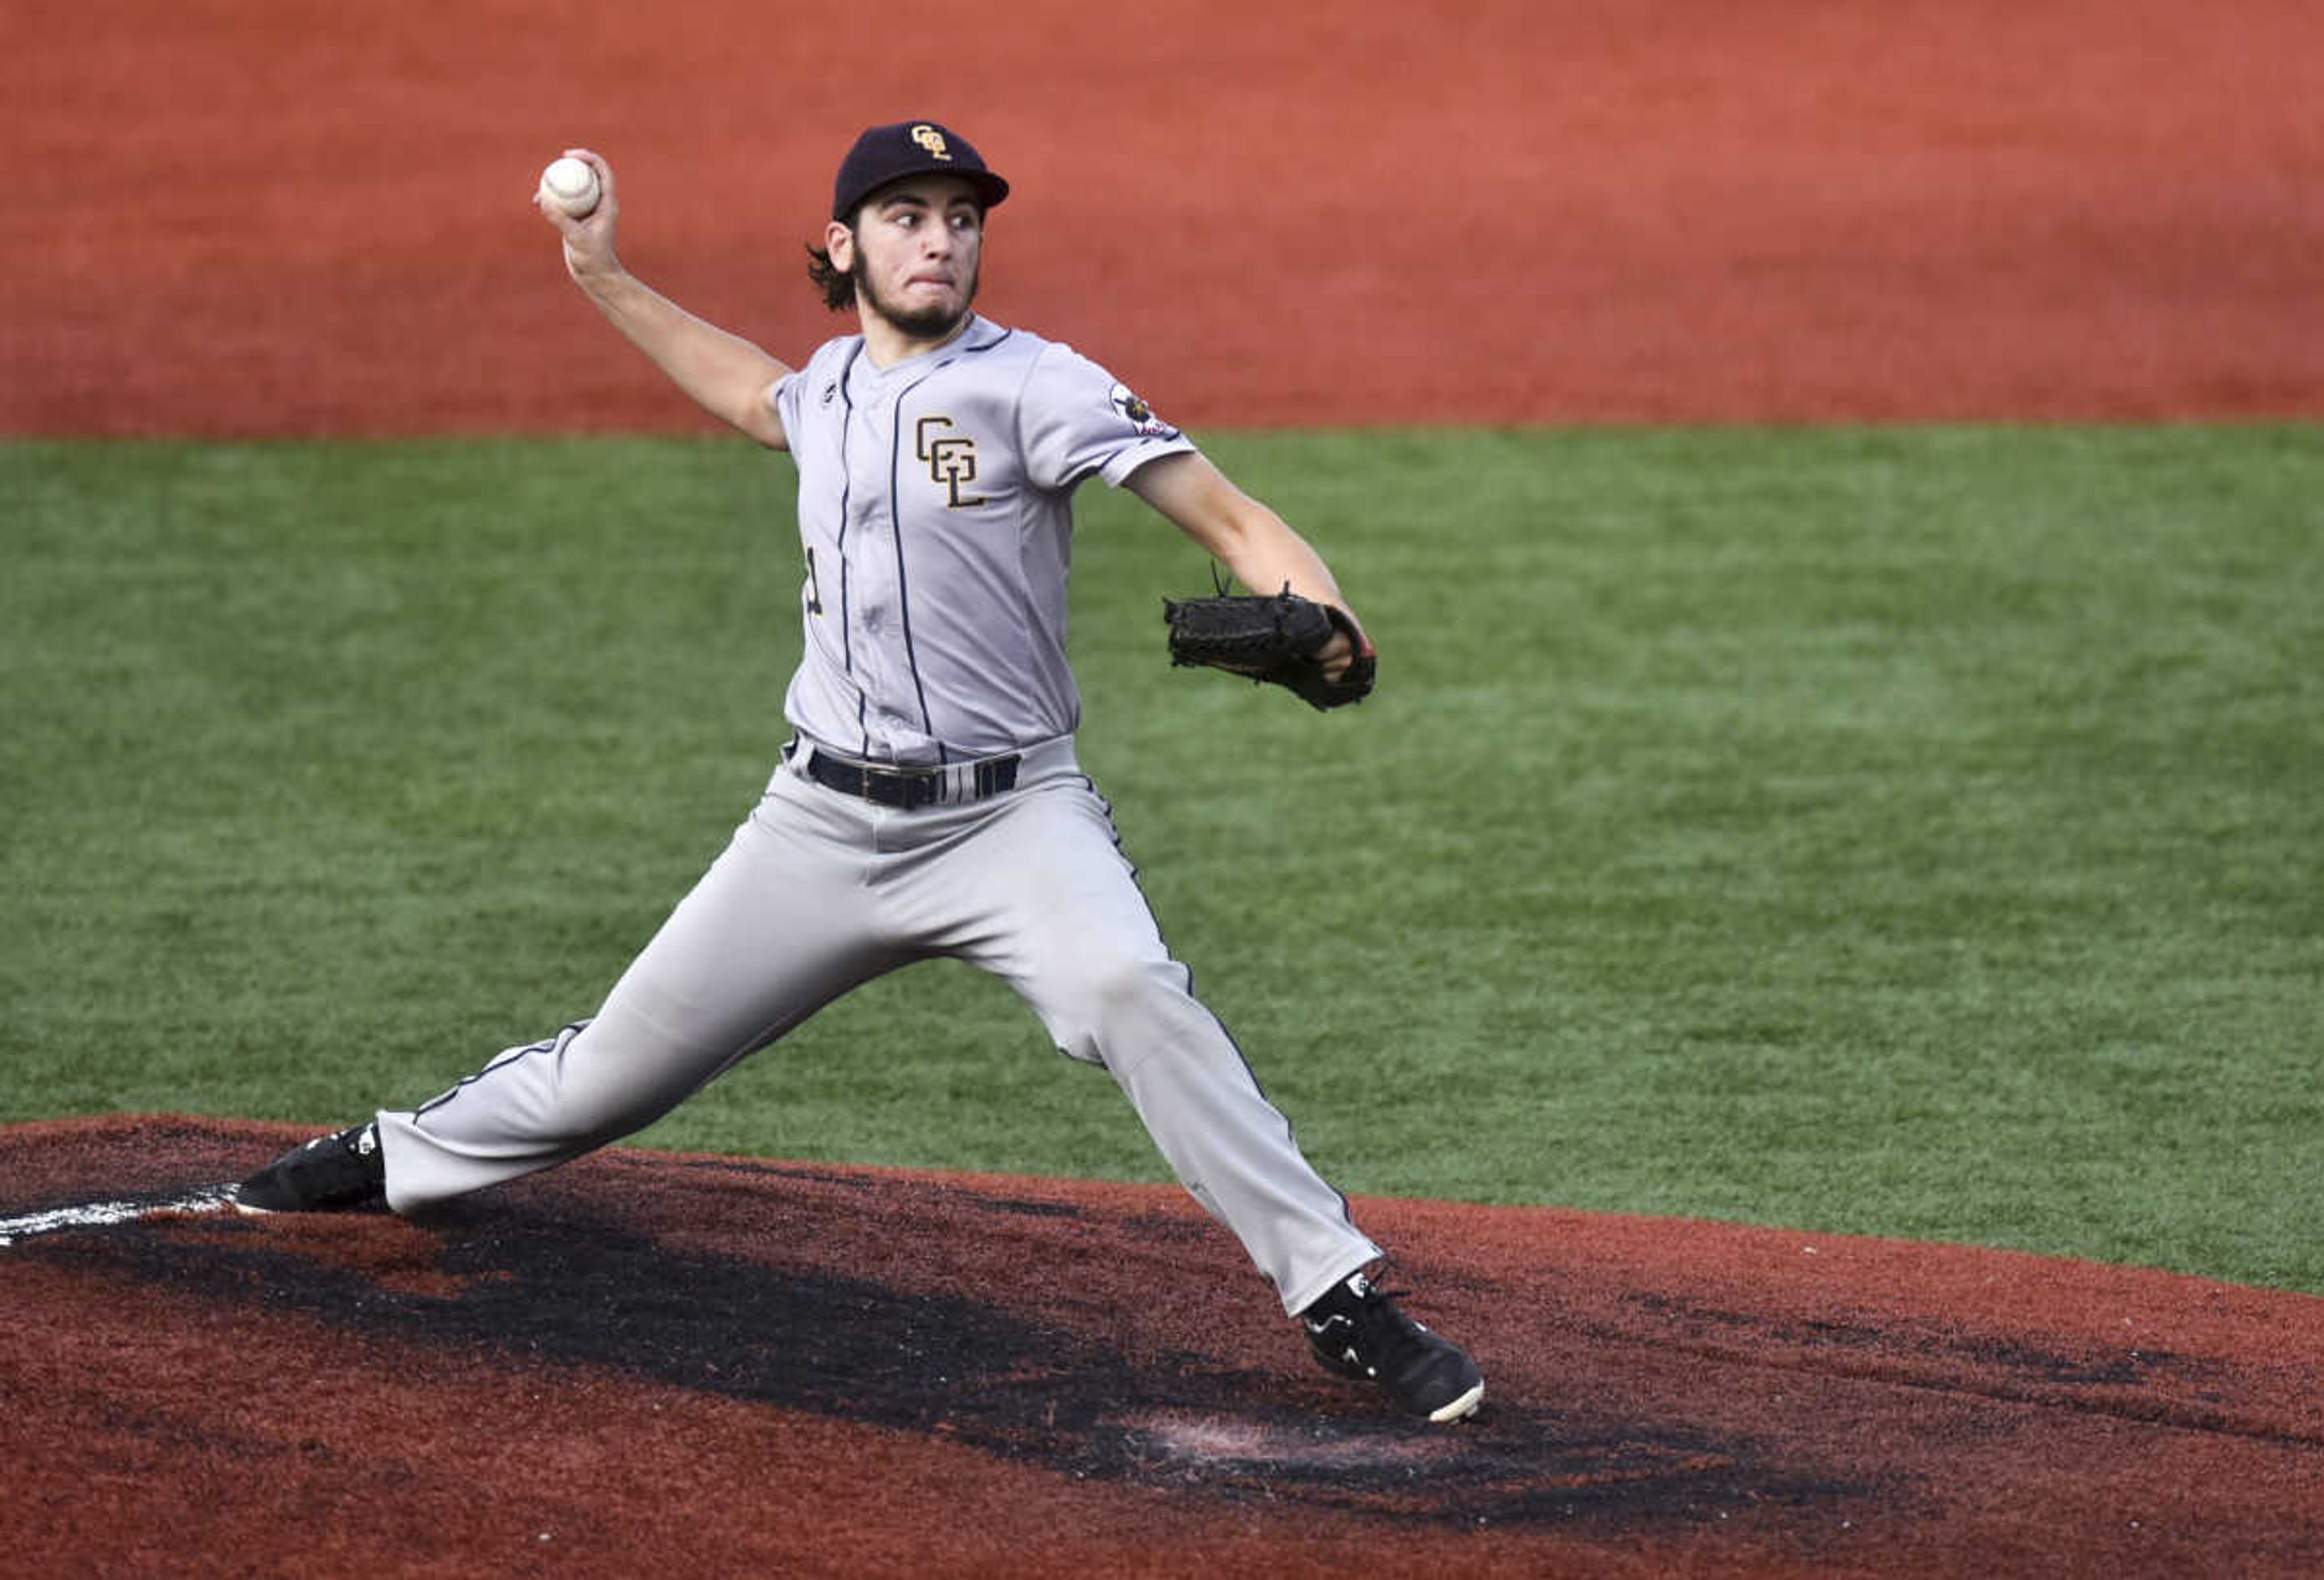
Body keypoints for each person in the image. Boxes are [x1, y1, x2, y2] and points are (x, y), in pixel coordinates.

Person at [234, 121, 1483, 1426]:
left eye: (961, 214)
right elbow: (745, 391)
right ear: (844, 246)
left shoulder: (1039, 385)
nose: (939, 235)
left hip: (1012, 819)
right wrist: (600, 272)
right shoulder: (823, 390)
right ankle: (397, 1152)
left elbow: (1228, 517)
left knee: (1126, 987)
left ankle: (1339, 1293)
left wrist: (1323, 608)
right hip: (819, 824)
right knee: (610, 1074)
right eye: (905, 214)